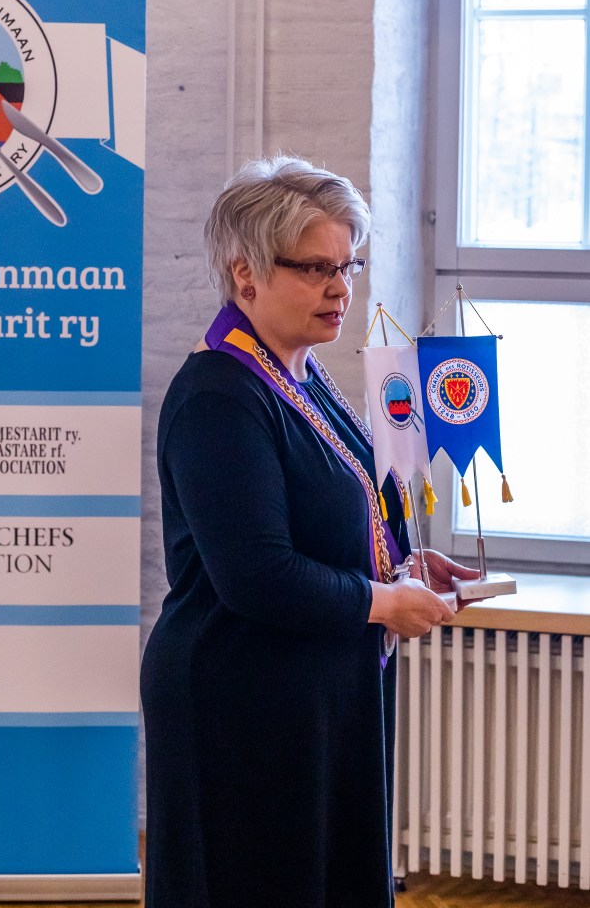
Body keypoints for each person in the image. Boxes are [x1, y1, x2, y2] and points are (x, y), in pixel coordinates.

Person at [140, 155, 478, 908]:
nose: (341, 287)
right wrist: (384, 603)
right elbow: (257, 575)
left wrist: (401, 564)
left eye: (348, 265)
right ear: (246, 274)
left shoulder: (299, 370)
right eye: (317, 268)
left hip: (317, 688)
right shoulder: (218, 396)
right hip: (239, 699)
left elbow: (333, 514)